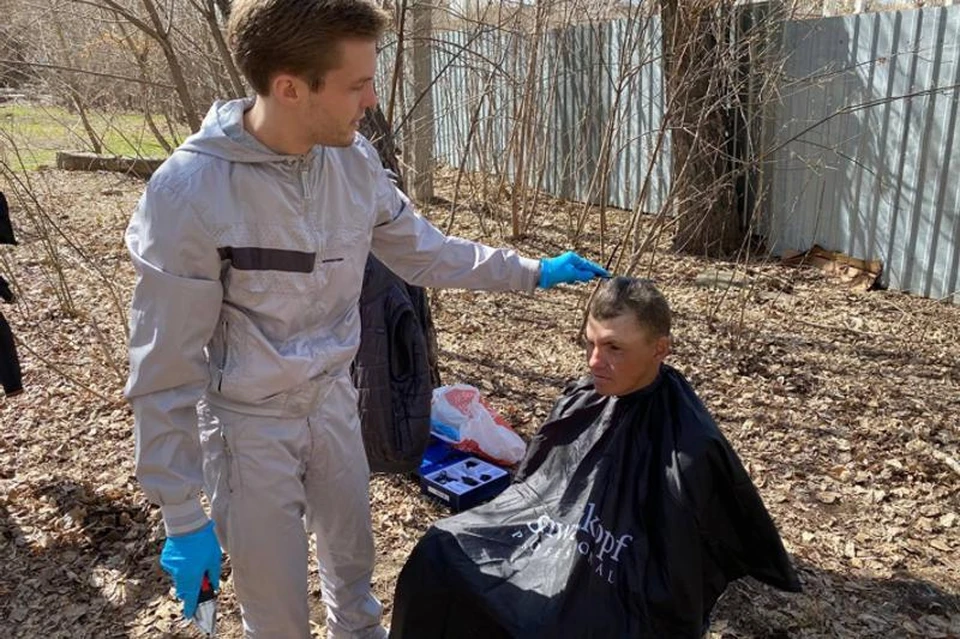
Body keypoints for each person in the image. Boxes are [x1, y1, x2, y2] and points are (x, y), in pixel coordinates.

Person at [123, 1, 608, 637]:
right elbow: (164, 363)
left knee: (354, 584)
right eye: (356, 85)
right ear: (290, 88)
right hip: (248, 429)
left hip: (334, 402)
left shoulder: (353, 164)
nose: (371, 100)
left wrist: (532, 271)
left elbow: (426, 251)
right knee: (277, 617)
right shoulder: (190, 192)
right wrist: (182, 514)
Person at [390, 277, 800, 638]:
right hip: (545, 529)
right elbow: (533, 483)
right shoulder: (582, 398)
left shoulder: (689, 448)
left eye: (614, 347)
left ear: (660, 349)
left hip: (617, 580)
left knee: (550, 624)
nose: (594, 362)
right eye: (590, 342)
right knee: (439, 552)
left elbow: (678, 579)